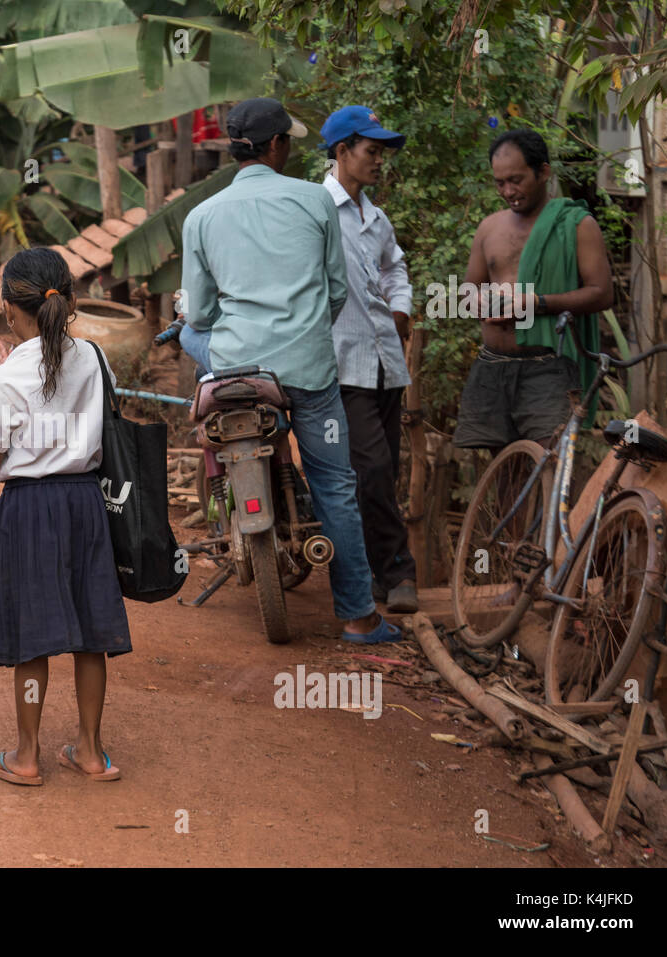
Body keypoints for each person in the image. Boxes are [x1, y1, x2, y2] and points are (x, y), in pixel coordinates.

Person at [179, 97, 398, 644]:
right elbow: (337, 291)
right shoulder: (313, 201)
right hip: (310, 374)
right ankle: (357, 615)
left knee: (185, 331)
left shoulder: (201, 216)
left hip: (236, 373)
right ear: (277, 145)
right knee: (335, 484)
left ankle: (222, 482)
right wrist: (302, 333)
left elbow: (201, 312)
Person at [0, 247, 132, 785]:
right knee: (90, 632)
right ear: (70, 302)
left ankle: (27, 754)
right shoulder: (95, 359)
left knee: (31, 635)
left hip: (30, 509)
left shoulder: (8, 377)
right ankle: (90, 750)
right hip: (86, 503)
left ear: (11, 311)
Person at [453, 129, 614, 451]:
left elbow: (601, 293)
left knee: (545, 465)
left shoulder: (577, 225)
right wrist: (481, 304)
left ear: (543, 172)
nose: (508, 191)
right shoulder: (489, 227)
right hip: (493, 365)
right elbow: (467, 294)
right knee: (502, 475)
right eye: (500, 183)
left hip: (548, 368)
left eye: (516, 180)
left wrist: (537, 303)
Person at [319, 105, 418, 614]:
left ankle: (376, 576)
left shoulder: (375, 218)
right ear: (342, 152)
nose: (380, 161)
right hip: (342, 364)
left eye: (382, 153)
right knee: (372, 468)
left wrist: (400, 310)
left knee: (383, 470)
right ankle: (399, 571)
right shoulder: (313, 207)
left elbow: (394, 269)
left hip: (385, 361)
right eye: (372, 151)